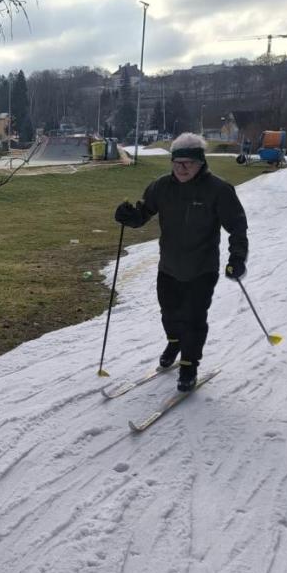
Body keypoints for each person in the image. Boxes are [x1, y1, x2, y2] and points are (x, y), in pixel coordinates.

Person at [114, 132, 248, 392]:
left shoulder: (219, 190)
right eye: (177, 163)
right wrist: (128, 216)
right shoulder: (161, 186)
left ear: (201, 163)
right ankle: (174, 342)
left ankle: (189, 364)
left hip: (202, 267)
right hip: (169, 265)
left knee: (194, 318)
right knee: (169, 313)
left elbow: (238, 228)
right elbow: (143, 214)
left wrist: (237, 258)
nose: (181, 168)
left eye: (188, 163)